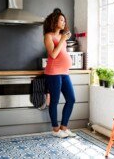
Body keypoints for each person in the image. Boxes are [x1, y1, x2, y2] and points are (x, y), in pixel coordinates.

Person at [43, 8, 76, 138]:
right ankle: (55, 130)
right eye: (61, 20)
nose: (64, 22)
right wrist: (62, 39)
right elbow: (53, 54)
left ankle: (64, 127)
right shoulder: (48, 36)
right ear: (54, 21)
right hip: (53, 73)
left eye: (64, 20)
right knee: (55, 101)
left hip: (64, 72)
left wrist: (63, 39)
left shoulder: (62, 37)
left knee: (71, 99)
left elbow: (63, 53)